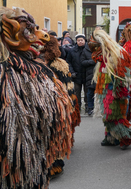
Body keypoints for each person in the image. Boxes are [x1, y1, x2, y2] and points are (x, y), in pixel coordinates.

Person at [0, 7, 72, 188]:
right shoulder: (4, 73)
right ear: (8, 34)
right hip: (11, 165)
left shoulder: (32, 67)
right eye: (28, 31)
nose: (42, 35)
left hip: (35, 156)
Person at [40, 35, 81, 178]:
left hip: (56, 105)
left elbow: (67, 85)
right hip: (45, 105)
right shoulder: (38, 62)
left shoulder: (58, 65)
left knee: (54, 135)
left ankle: (55, 165)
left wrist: (70, 102)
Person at [89, 29, 131, 149]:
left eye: (96, 46)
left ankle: (126, 136)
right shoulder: (104, 55)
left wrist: (120, 91)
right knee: (107, 115)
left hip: (114, 91)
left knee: (113, 115)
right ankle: (110, 137)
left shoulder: (119, 53)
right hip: (104, 89)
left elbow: (124, 74)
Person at [67, 34, 87, 112]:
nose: (80, 42)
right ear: (76, 41)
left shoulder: (88, 49)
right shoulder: (72, 50)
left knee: (87, 92)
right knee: (77, 92)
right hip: (76, 75)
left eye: (82, 40)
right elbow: (68, 62)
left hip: (86, 75)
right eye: (78, 40)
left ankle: (88, 107)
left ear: (85, 40)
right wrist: (72, 71)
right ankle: (77, 107)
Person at [81, 40, 96, 116]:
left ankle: (99, 108)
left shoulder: (101, 49)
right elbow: (82, 62)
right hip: (89, 74)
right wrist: (91, 62)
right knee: (90, 93)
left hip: (99, 73)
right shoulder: (85, 50)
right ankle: (90, 108)